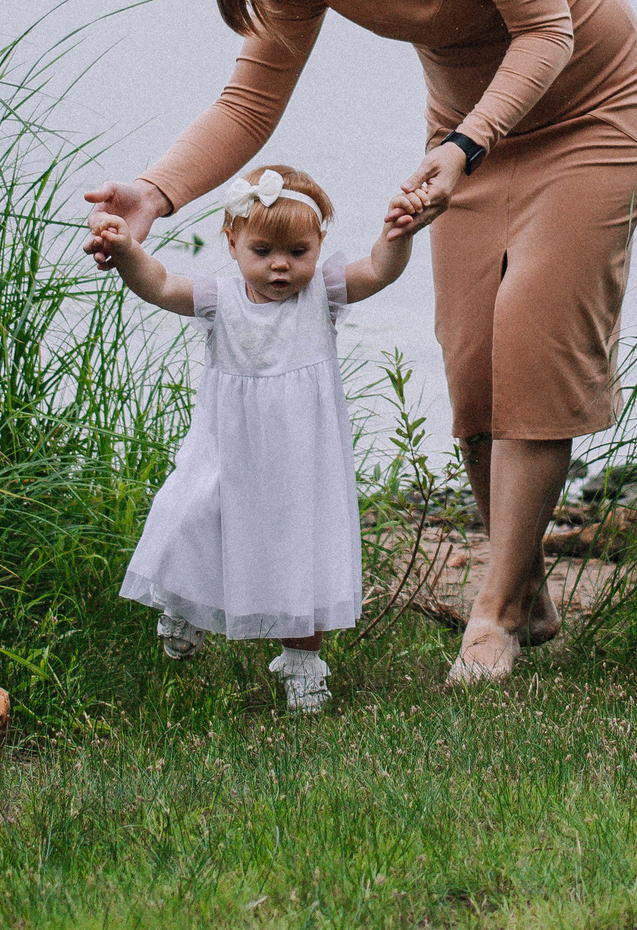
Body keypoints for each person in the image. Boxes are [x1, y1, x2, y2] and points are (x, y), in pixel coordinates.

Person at [85, 0, 637, 684]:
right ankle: (532, 595)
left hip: (591, 111)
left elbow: (546, 29)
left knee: (533, 343)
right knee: (474, 359)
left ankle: (493, 614)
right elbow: (251, 99)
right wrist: (157, 190)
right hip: (466, 137)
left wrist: (461, 147)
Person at [96, 162, 420, 713]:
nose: (280, 266)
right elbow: (159, 284)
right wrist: (127, 252)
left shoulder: (323, 293)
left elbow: (380, 271)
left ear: (318, 245)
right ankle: (187, 603)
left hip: (303, 457)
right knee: (189, 514)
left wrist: (400, 236)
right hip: (228, 445)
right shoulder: (219, 299)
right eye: (263, 250)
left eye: (298, 251)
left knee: (304, 551)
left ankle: (303, 667)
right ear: (232, 241)